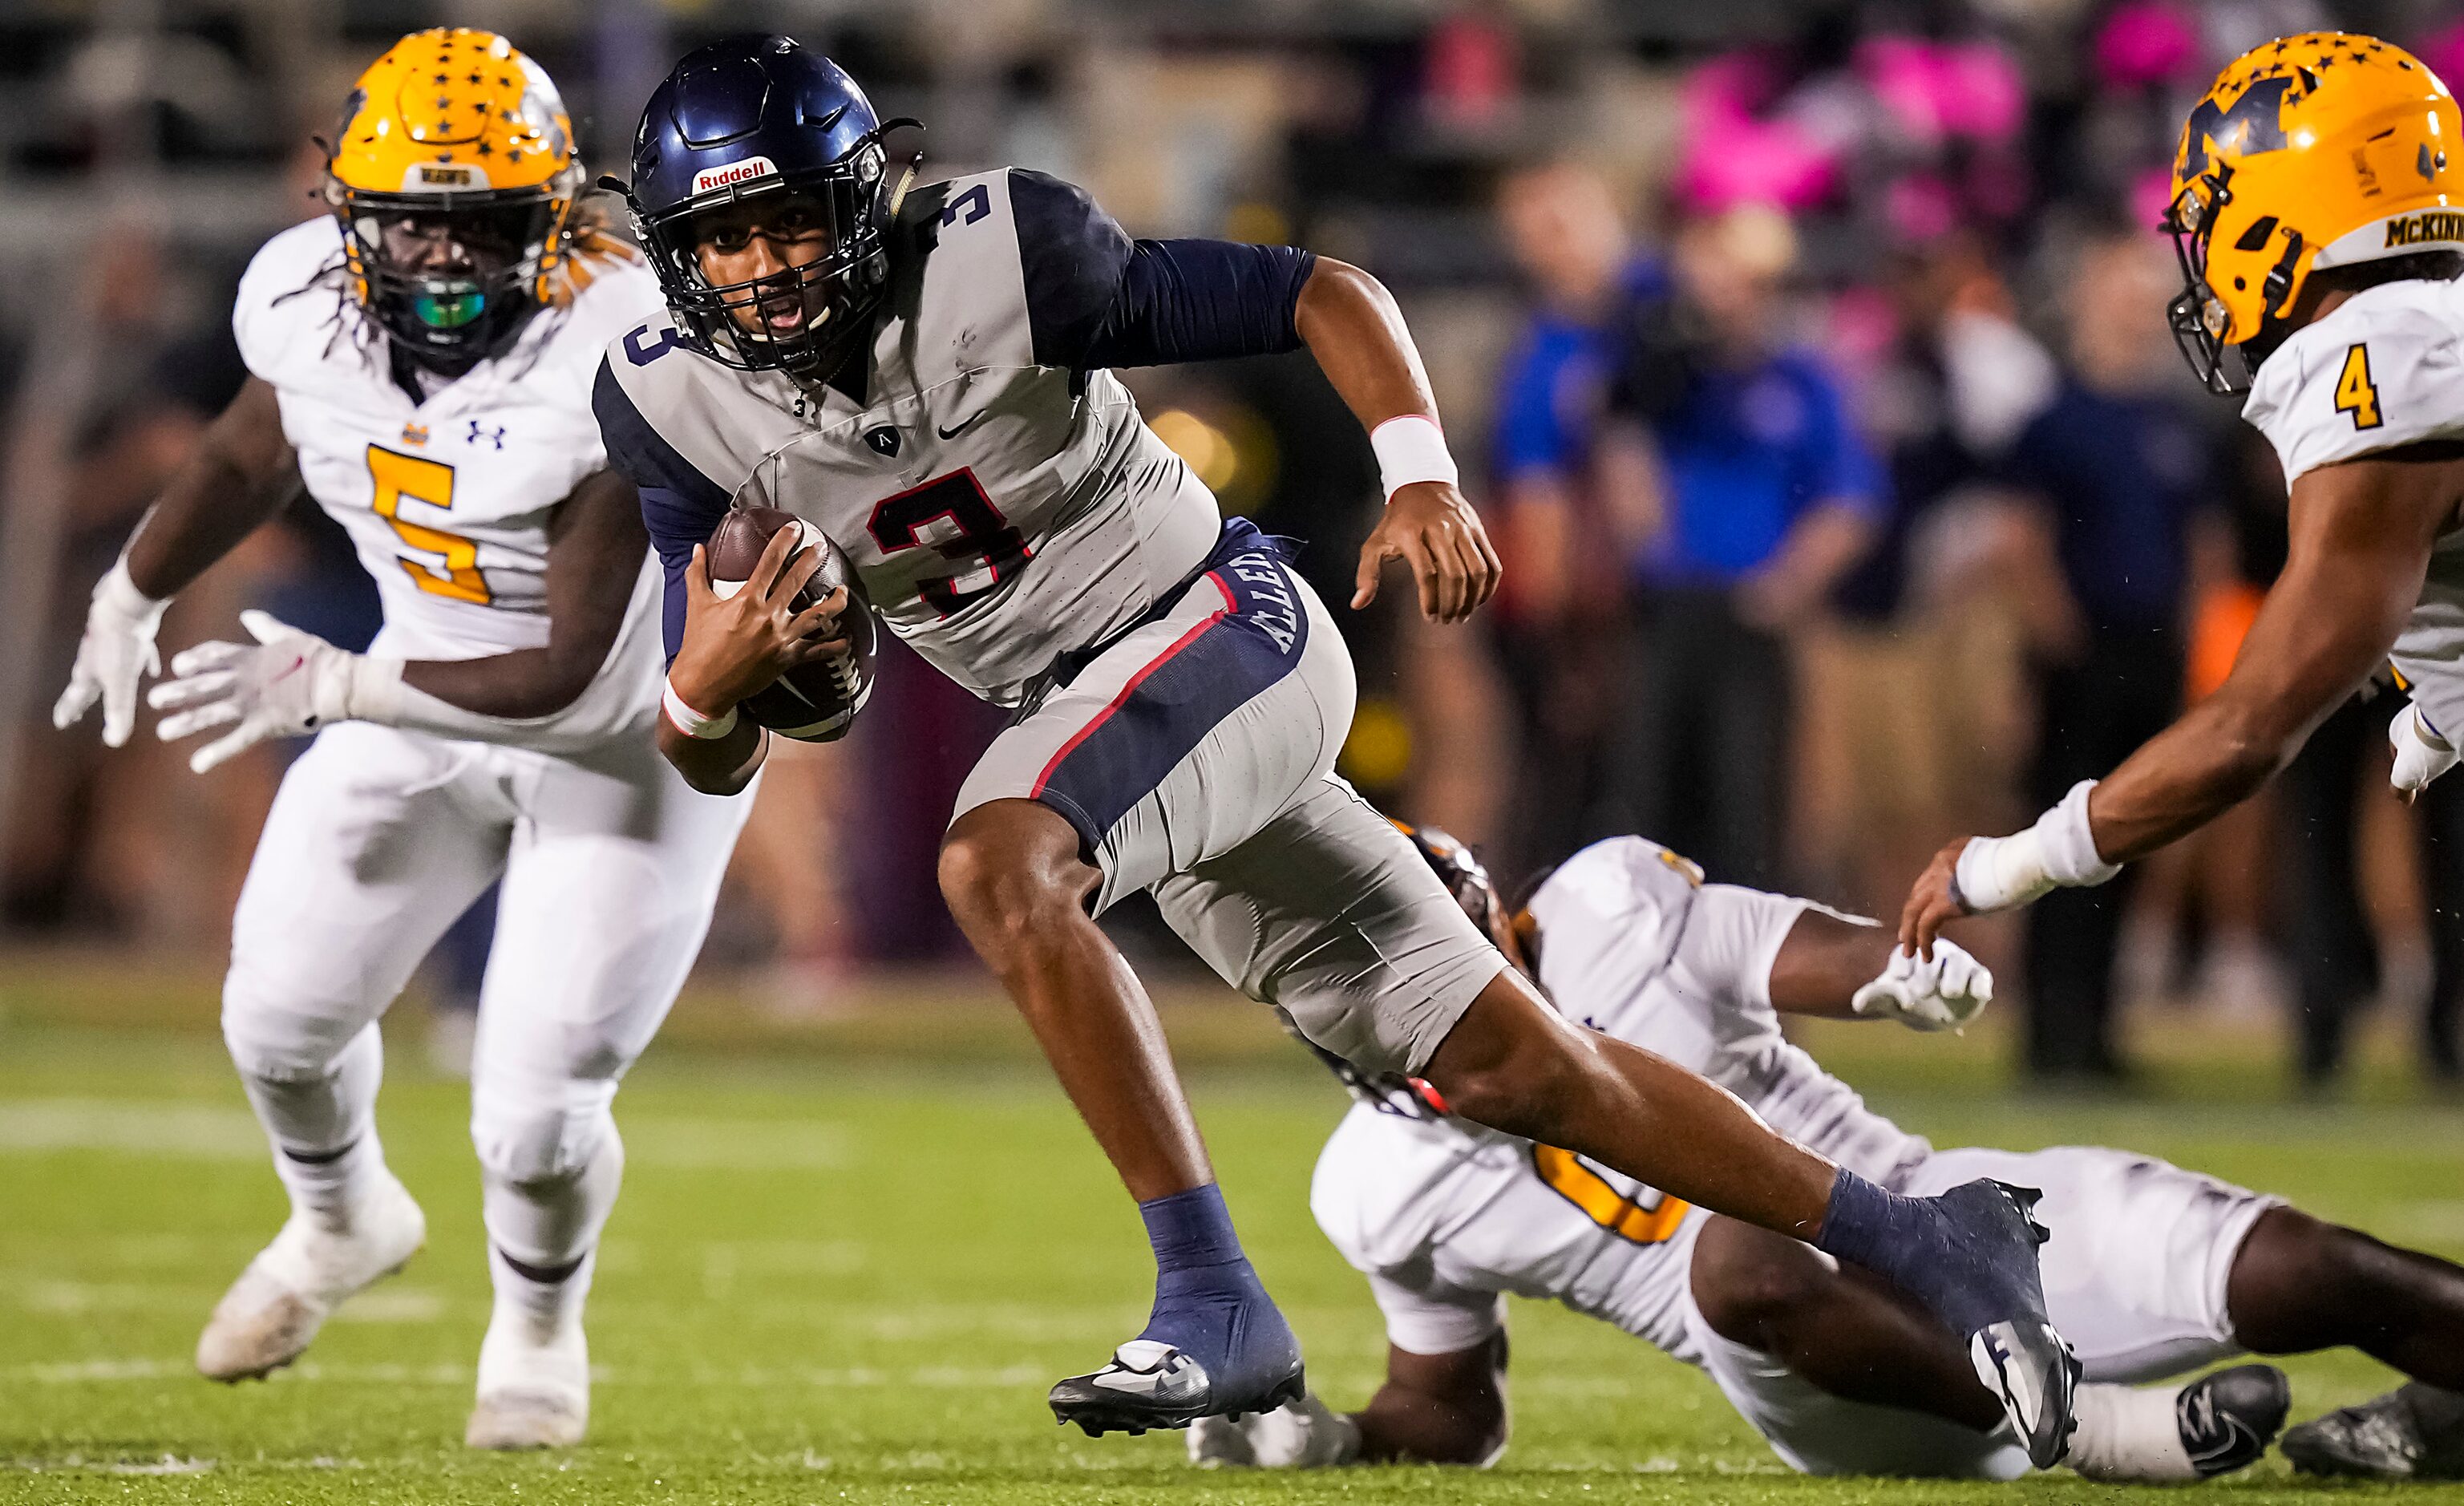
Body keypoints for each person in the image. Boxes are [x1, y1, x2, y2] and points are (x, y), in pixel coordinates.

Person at [592, 34, 2077, 1458]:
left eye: (788, 222)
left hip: (1219, 626)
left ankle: (1210, 1294)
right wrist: (706, 691)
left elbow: (1322, 289)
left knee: (998, 860)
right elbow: (713, 741)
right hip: (1110, 736)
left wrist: (1418, 477)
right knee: (1513, 1068)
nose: (764, 266)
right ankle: (1929, 1236)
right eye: (722, 242)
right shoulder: (667, 404)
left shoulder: (1003, 254)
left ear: (860, 198)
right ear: (674, 255)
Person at [50, 30, 752, 1449]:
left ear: (556, 218)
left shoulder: (621, 342)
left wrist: (346, 690)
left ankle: (539, 1331)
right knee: (277, 1020)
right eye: (408, 223)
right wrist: (133, 587)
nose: (438, 258)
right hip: (401, 688)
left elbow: (561, 672)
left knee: (534, 1112)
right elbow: (254, 446)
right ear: (346, 219)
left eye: (478, 224)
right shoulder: (300, 297)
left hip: (614, 745)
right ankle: (341, 1218)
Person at [1197, 827, 2464, 1483]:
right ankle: (2100, 1431)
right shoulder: (1377, 1182)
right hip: (1845, 1379)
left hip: (1946, 1212)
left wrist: (1903, 975)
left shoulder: (1609, 905)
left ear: (1492, 929)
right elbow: (1449, 1406)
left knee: (2316, 1265)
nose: (1411, 1033)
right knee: (1741, 1249)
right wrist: (1337, 1439)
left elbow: (1814, 954)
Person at [1895, 33, 2464, 1475]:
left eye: (2215, 205)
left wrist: (2011, 859)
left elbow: (2243, 731)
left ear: (2290, 201)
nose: (2201, 248)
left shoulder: (2377, 353)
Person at [1600, 204, 1886, 889]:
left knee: (1744, 802)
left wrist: (1788, 582)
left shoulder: (1801, 380)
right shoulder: (1661, 373)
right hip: (1668, 606)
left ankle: (1735, 973)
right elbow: (1619, 448)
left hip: (1748, 611)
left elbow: (1851, 500)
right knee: (1648, 794)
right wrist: (1648, 544)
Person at [1997, 230, 2219, 1083]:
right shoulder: (2055, 417)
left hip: (2153, 649)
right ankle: (2049, 1030)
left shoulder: (2174, 417)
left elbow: (2200, 545)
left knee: (2124, 843)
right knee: (2062, 843)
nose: (2132, 311)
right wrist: (2056, 634)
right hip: (2080, 652)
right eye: (2117, 293)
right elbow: (2025, 538)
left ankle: (2095, 1028)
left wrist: (2191, 645)